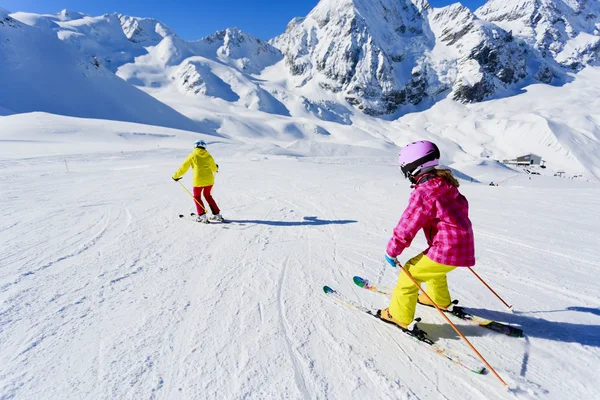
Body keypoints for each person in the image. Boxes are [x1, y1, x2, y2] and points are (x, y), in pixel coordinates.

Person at [379, 141, 475, 331]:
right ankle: (438, 299)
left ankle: (398, 315)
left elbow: (408, 224)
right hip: (462, 245)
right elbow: (460, 209)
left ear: (413, 166)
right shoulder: (445, 184)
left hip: (447, 248)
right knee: (433, 268)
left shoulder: (424, 192)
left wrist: (392, 250)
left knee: (409, 274)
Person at [172, 140, 223, 223]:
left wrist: (175, 176)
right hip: (209, 180)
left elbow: (184, 167)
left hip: (198, 180)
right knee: (208, 196)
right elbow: (214, 168)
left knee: (197, 197)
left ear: (195, 146)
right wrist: (216, 168)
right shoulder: (208, 155)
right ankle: (217, 214)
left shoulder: (192, 155)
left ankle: (202, 215)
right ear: (204, 147)